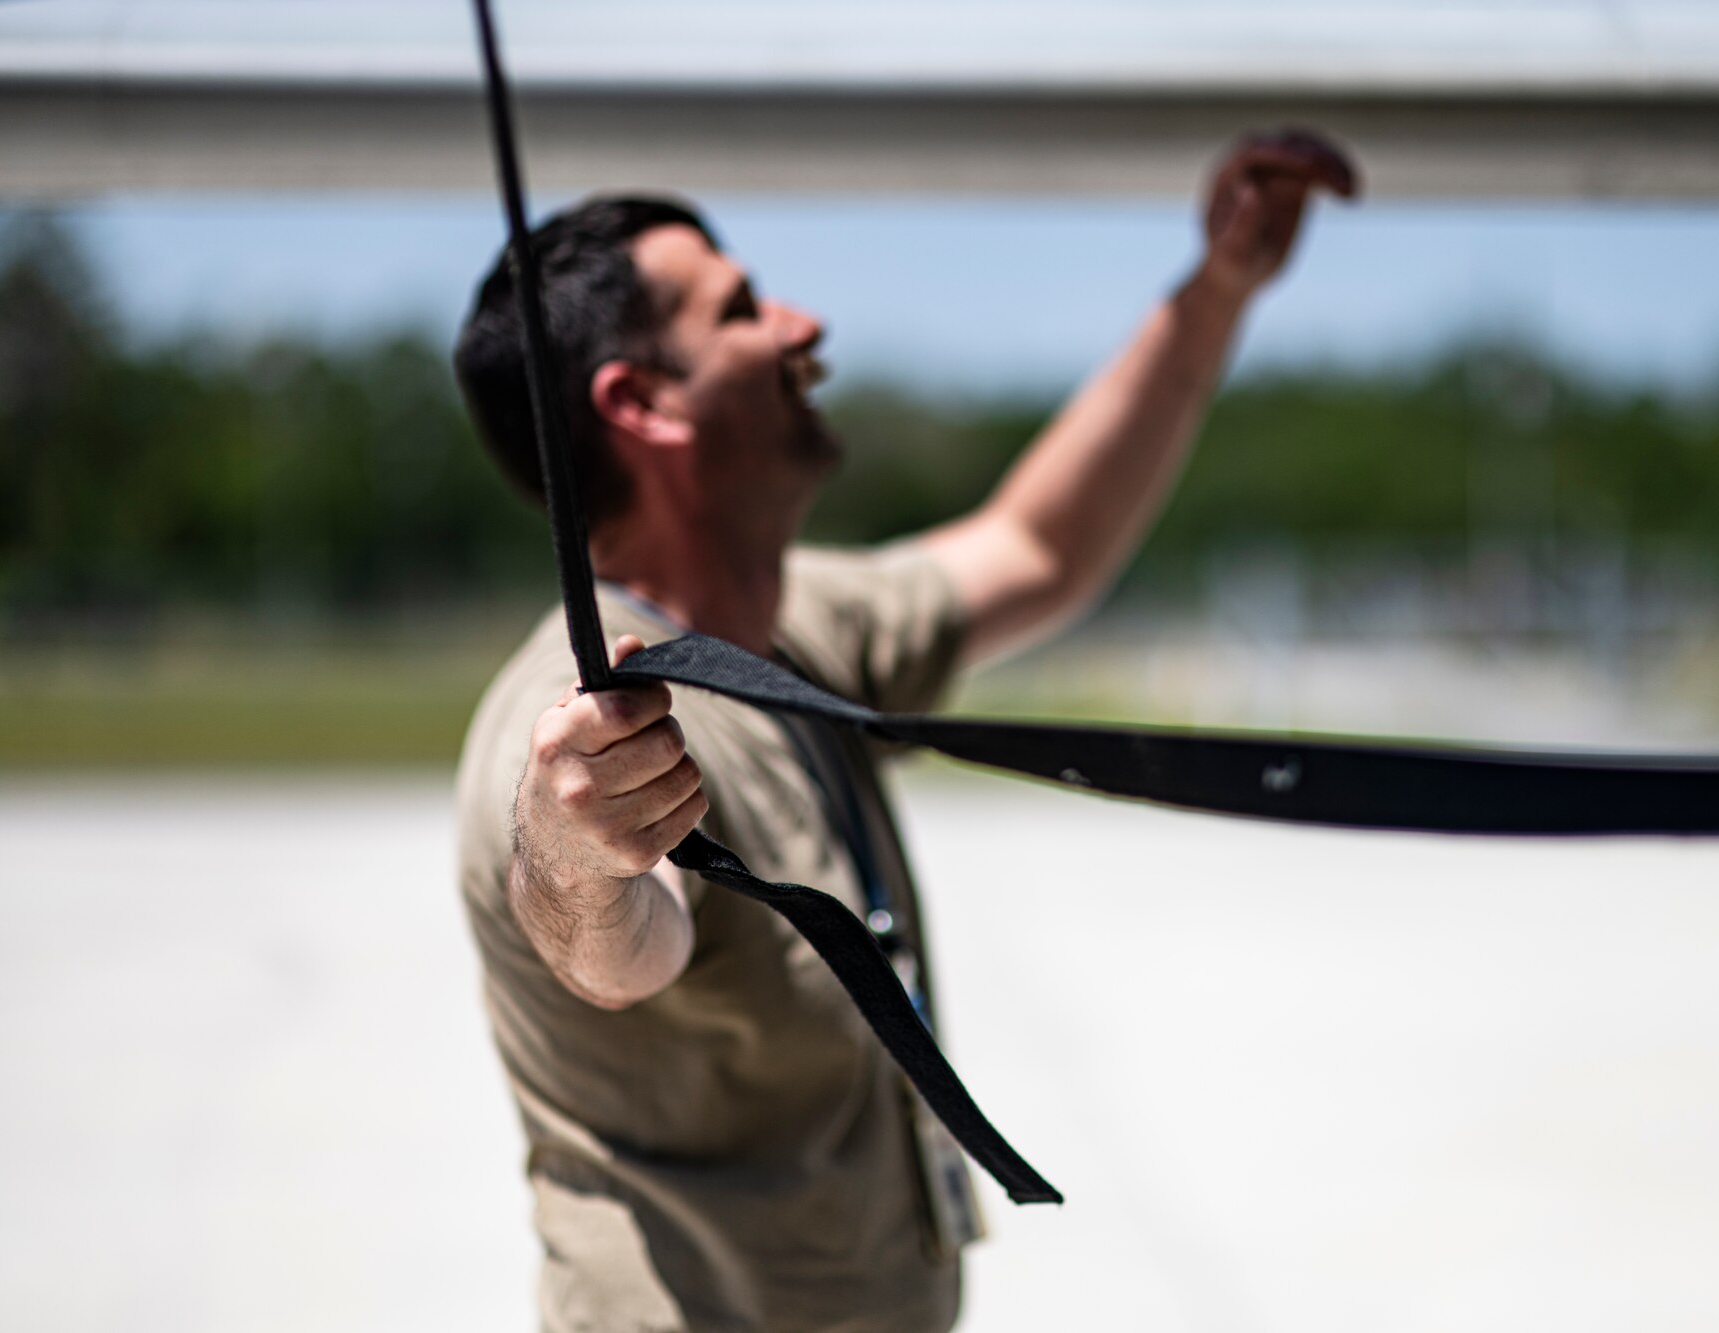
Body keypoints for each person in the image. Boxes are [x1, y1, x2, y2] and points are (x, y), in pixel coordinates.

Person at [451, 130, 1357, 1333]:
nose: (800, 325)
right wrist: (575, 854)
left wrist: (1216, 289)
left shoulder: (787, 625)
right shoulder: (578, 717)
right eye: (739, 310)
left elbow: (1037, 546)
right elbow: (614, 947)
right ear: (641, 403)